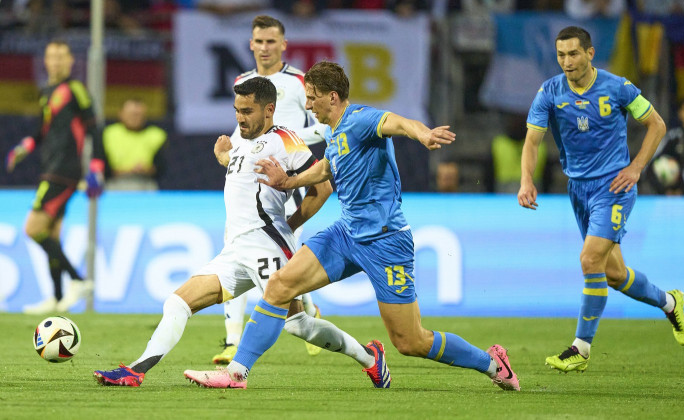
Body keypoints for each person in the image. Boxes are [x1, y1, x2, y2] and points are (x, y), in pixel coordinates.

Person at [183, 61, 521, 391]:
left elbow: (398, 122)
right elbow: (326, 169)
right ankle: (238, 372)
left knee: (411, 341)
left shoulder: (360, 119)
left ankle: (492, 363)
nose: (308, 103)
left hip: (386, 242)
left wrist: (424, 133)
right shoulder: (333, 131)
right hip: (345, 234)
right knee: (279, 286)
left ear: (333, 97)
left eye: (312, 96)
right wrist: (289, 181)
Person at [93, 77, 385, 388]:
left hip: (268, 245)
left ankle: (368, 358)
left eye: (247, 111)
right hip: (235, 250)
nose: (239, 117)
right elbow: (246, 179)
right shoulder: (242, 142)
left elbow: (323, 187)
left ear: (269, 109)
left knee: (298, 324)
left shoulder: (285, 139)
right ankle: (135, 371)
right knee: (178, 303)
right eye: (236, 110)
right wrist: (225, 159)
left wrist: (293, 223)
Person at [518, 26, 684, 373]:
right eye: (561, 55)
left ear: (590, 53)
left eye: (574, 54)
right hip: (578, 189)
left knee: (589, 259)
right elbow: (533, 141)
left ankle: (580, 347)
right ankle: (670, 302)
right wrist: (526, 180)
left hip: (614, 188)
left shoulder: (618, 87)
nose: (567, 62)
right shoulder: (550, 92)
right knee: (613, 274)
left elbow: (656, 124)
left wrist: (637, 167)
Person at [211, 15, 329, 365]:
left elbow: (323, 128)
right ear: (250, 44)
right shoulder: (243, 81)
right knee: (236, 246)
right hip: (250, 176)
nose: (264, 47)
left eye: (270, 42)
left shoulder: (299, 82)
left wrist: (282, 141)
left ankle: (307, 313)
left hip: (286, 173)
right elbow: (241, 132)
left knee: (288, 255)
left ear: (283, 45)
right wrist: (230, 153)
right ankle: (233, 340)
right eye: (258, 41)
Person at [6, 40, 104, 314]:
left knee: (32, 229)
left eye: (62, 56)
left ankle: (78, 280)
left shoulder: (76, 90)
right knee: (52, 234)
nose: (57, 61)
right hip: (51, 166)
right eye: (52, 56)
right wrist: (25, 146)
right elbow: (43, 129)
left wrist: (96, 166)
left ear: (72, 61)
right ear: (45, 61)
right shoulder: (46, 91)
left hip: (64, 170)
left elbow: (95, 128)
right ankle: (57, 298)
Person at [102, 98, 168, 190]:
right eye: (131, 114)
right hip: (115, 184)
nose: (135, 118)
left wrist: (147, 170)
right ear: (121, 114)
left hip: (146, 183)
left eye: (138, 115)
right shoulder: (108, 134)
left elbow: (162, 166)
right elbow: (99, 164)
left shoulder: (156, 135)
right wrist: (125, 171)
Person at [648, 96, 684, 195]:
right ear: (680, 113)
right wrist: (665, 191)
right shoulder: (672, 138)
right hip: (673, 198)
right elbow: (651, 167)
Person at [492, 112, 547, 193]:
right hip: (503, 193)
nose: (516, 125)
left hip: (532, 192)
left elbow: (546, 175)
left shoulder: (539, 145)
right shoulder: (498, 144)